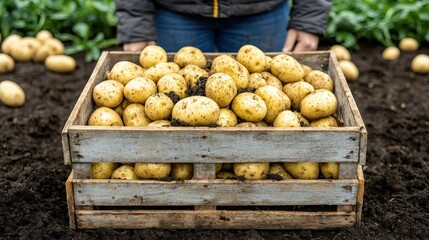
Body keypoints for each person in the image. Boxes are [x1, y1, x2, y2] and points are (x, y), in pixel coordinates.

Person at [115, 0, 332, 53]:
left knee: (266, 108)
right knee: (175, 110)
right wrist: (135, 22)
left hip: (262, 12)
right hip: (174, 13)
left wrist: (309, 15)